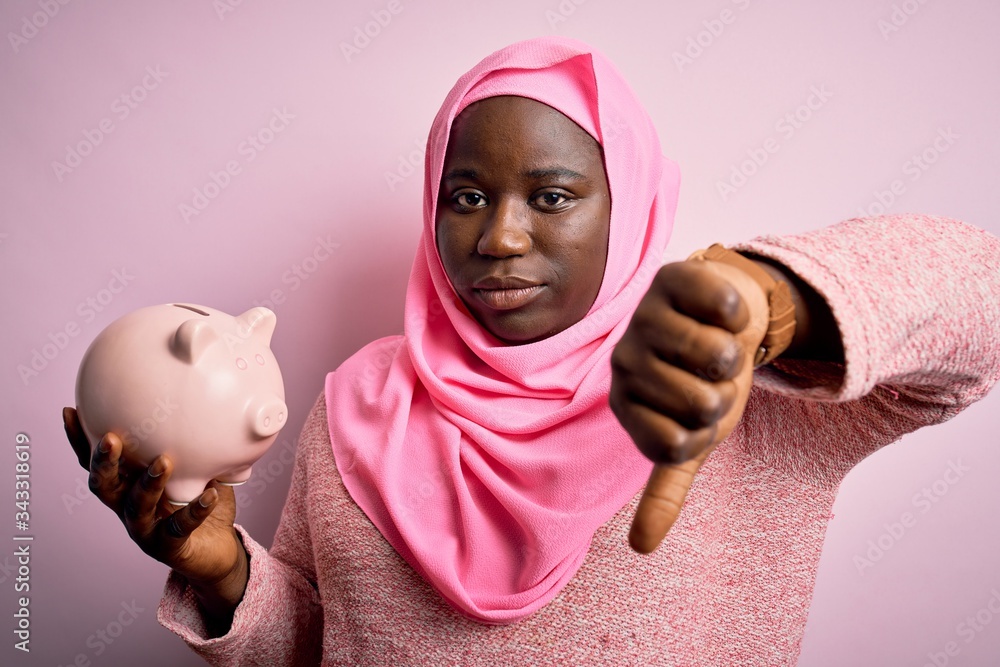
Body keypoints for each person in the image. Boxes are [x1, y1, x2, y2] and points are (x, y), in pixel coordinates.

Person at [64, 36, 1000, 666]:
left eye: (552, 196)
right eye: (466, 196)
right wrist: (225, 570)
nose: (500, 237)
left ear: (625, 206)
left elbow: (981, 298)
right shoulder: (363, 400)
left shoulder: (738, 390)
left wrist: (782, 297)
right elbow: (326, 641)